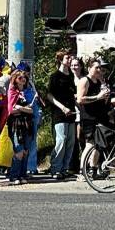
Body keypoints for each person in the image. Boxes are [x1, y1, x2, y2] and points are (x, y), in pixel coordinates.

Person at [47, 50, 77, 180]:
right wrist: (62, 107)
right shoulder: (55, 76)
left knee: (70, 141)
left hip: (71, 113)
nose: (70, 60)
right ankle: (55, 168)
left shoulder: (70, 76)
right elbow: (49, 95)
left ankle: (65, 168)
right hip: (59, 113)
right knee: (61, 140)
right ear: (60, 59)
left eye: (70, 58)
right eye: (67, 58)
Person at [7, 68, 35, 185]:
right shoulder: (12, 92)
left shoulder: (27, 92)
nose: (23, 80)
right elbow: (10, 110)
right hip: (16, 124)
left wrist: (21, 108)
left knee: (26, 151)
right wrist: (24, 109)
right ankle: (14, 175)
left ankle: (23, 174)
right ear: (15, 80)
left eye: (24, 78)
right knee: (19, 150)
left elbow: (32, 110)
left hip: (27, 124)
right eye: (20, 78)